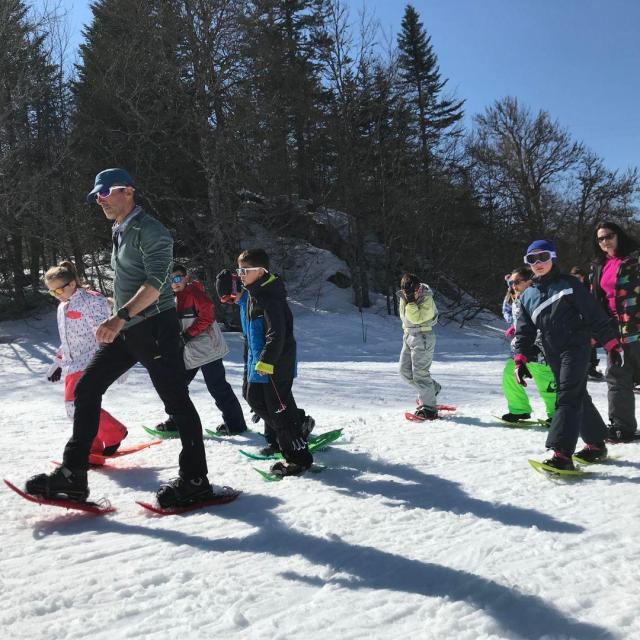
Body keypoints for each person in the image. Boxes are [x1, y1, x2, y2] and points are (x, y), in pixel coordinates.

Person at [25, 168, 214, 507]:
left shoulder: (152, 231)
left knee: (176, 401)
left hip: (155, 326)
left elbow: (156, 285)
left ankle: (195, 479)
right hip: (129, 329)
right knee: (86, 387)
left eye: (105, 193)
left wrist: (119, 316)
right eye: (96, 196)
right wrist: (122, 320)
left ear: (128, 191)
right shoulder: (120, 229)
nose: (99, 201)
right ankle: (73, 476)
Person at [514, 240, 623, 470]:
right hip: (552, 349)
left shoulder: (569, 284)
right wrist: (520, 359)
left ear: (552, 257)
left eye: (542, 257)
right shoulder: (527, 296)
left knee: (566, 396)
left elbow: (594, 315)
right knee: (576, 394)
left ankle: (561, 453)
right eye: (532, 259)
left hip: (576, 345)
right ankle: (595, 444)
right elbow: (524, 332)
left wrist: (612, 344)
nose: (538, 263)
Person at [226, 248, 312, 476]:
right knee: (256, 399)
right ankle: (295, 430)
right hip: (259, 361)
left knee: (278, 410)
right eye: (239, 270)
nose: (240, 275)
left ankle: (298, 458)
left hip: (275, 364)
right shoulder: (253, 294)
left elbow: (277, 334)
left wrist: (266, 361)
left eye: (245, 270)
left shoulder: (270, 297)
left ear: (261, 271)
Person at [44, 260, 128, 455]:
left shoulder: (91, 300)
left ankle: (114, 433)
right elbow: (68, 339)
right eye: (52, 292)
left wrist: (117, 363)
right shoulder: (62, 307)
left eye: (58, 291)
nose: (56, 296)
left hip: (91, 360)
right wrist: (58, 361)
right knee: (78, 408)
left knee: (76, 406)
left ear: (72, 284)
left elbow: (107, 332)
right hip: (72, 364)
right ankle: (93, 446)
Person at [152, 263, 247, 435]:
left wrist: (188, 335)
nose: (174, 282)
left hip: (208, 349)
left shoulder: (195, 293)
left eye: (178, 278)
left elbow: (208, 317)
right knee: (176, 385)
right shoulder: (170, 298)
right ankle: (177, 421)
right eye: (170, 279)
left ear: (186, 278)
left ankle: (235, 424)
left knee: (217, 386)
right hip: (189, 351)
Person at [589, 221, 640, 442]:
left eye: (609, 236)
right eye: (600, 238)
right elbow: (595, 299)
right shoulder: (599, 265)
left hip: (636, 324)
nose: (605, 241)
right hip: (614, 329)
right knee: (617, 376)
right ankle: (622, 427)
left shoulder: (635, 260)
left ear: (619, 235)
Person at [500, 266, 556, 424]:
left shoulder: (540, 298)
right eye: (511, 283)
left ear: (529, 281)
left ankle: (556, 414)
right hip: (521, 351)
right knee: (509, 375)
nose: (513, 286)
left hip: (541, 352)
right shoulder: (517, 300)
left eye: (517, 282)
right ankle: (519, 410)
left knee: (547, 385)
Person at [398, 273, 441, 420]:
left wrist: (410, 302)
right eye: (406, 292)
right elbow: (405, 318)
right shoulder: (403, 296)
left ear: (418, 288)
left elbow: (416, 318)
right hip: (409, 336)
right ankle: (431, 389)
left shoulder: (427, 298)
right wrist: (407, 298)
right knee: (404, 372)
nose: (410, 294)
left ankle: (429, 408)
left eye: (413, 291)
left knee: (420, 374)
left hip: (423, 337)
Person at [570, 266, 604, 380]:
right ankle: (580, 369)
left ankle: (591, 367)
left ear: (583, 277)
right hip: (575, 322)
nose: (577, 279)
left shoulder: (589, 288)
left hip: (588, 321)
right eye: (574, 277)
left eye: (578, 277)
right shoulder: (569, 288)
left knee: (591, 344)